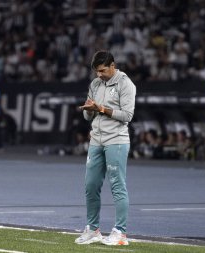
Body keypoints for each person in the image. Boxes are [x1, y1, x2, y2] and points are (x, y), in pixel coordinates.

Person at [75, 51, 136, 246]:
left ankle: (120, 233)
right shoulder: (95, 84)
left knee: (117, 186)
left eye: (102, 71)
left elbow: (127, 115)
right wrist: (88, 110)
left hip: (116, 140)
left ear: (112, 66)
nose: (99, 75)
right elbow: (88, 116)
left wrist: (100, 109)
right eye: (96, 71)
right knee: (90, 186)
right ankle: (93, 230)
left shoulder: (125, 84)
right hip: (96, 140)